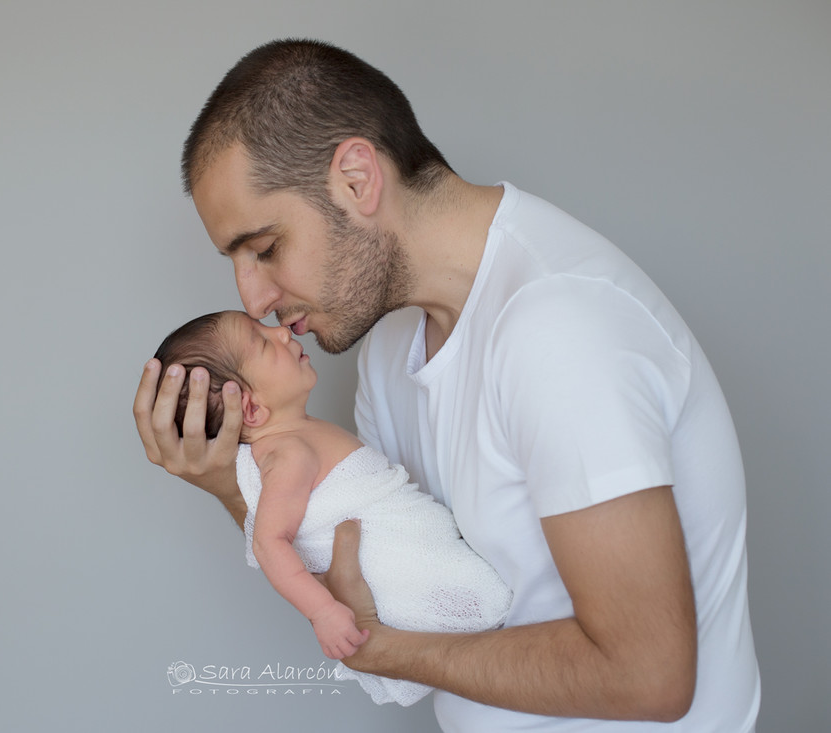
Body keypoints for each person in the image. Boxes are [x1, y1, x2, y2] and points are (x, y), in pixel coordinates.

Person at [133, 39, 760, 731]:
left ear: (356, 178)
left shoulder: (560, 328)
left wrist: (387, 652)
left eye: (265, 247)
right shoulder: (391, 347)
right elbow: (380, 576)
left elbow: (648, 677)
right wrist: (230, 480)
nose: (252, 299)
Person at [151, 309, 513, 705]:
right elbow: (270, 542)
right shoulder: (288, 454)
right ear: (251, 409)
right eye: (261, 341)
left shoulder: (298, 436)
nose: (282, 333)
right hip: (400, 560)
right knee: (488, 605)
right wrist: (323, 611)